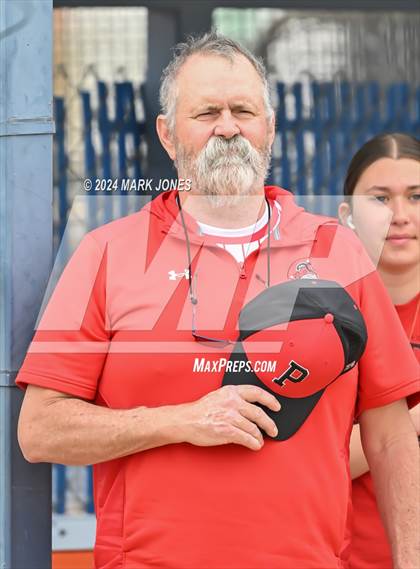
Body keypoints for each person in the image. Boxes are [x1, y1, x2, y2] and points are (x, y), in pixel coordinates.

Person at [16, 33, 419, 569]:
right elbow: (40, 431)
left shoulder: (340, 254)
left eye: (244, 110)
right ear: (167, 133)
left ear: (269, 127)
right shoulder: (107, 254)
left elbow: (391, 438)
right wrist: (181, 420)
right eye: (206, 112)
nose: (228, 127)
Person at [338, 133, 420, 569]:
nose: (400, 215)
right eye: (380, 199)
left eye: (417, 196)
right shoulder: (320, 321)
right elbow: (316, 461)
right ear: (346, 216)